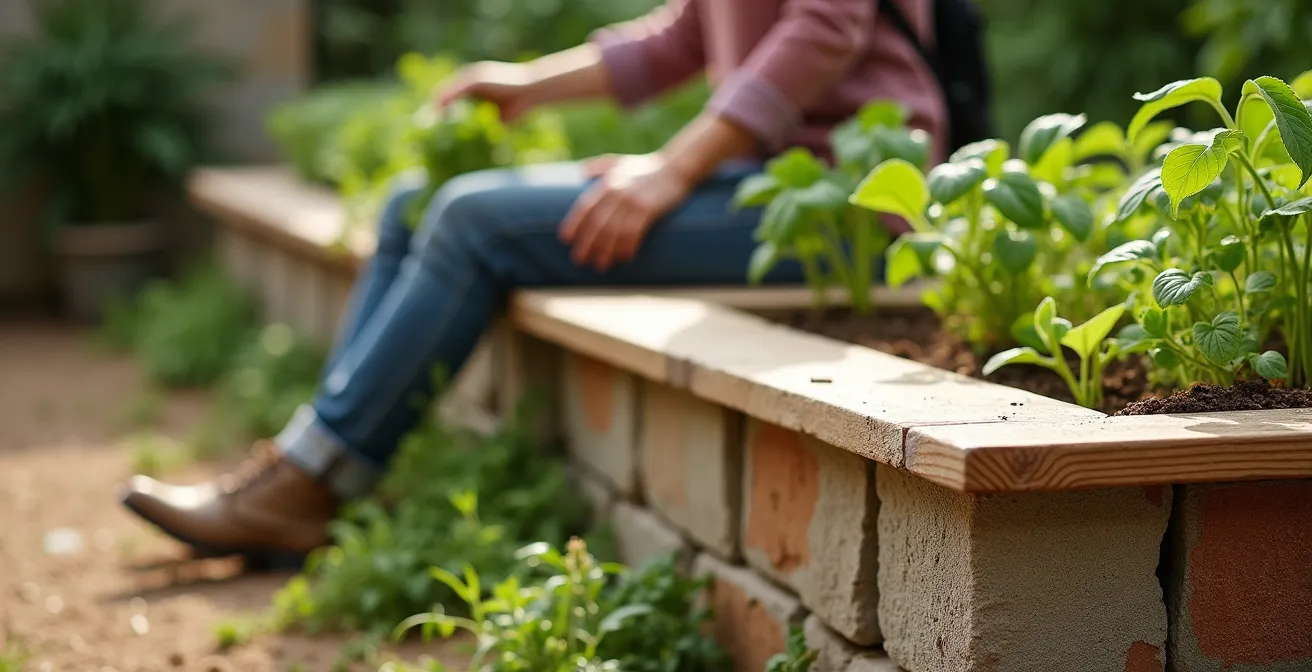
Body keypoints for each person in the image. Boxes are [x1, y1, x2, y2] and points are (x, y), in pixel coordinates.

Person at [121, 0, 947, 567]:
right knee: (416, 203)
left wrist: (668, 168)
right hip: (758, 183)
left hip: (847, 205)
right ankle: (316, 472)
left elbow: (826, 28)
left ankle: (311, 480)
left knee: (477, 221)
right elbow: (684, 36)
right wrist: (526, 83)